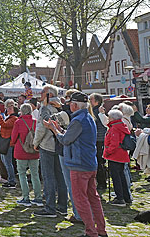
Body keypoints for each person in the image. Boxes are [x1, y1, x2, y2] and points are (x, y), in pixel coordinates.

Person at [45, 91, 107, 237]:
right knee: (93, 198)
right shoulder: (88, 117)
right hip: (89, 163)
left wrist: (54, 130)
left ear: (74, 105)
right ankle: (101, 231)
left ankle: (91, 232)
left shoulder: (78, 120)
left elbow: (66, 140)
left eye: (70, 104)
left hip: (79, 164)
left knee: (80, 200)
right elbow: (71, 136)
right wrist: (59, 129)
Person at [33, 87, 67, 218]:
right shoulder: (60, 107)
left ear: (49, 95)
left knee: (48, 177)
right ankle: (62, 206)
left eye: (42, 92)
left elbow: (41, 128)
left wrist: (36, 143)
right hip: (59, 145)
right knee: (60, 177)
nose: (40, 95)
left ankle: (50, 207)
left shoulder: (45, 108)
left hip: (47, 145)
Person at [11, 103, 42, 207]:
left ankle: (26, 197)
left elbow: (14, 137)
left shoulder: (19, 122)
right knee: (35, 175)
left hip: (21, 151)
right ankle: (38, 197)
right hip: (34, 151)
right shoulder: (35, 122)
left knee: (22, 174)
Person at [103, 109, 131, 206]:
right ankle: (126, 197)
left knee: (116, 177)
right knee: (121, 176)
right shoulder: (121, 125)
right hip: (121, 155)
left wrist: (107, 153)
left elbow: (114, 144)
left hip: (115, 155)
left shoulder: (114, 127)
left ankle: (120, 198)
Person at [0, 99, 18, 188]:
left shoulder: (14, 119)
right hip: (4, 141)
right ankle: (9, 179)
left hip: (8, 142)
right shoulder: (9, 118)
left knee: (8, 163)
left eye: (10, 109)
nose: (7, 110)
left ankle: (12, 181)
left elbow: (5, 125)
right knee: (5, 162)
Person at [89, 93, 108, 190]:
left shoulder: (97, 111)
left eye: (91, 100)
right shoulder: (95, 110)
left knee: (99, 161)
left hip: (99, 139)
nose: (89, 101)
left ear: (96, 101)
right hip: (98, 139)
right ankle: (101, 181)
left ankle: (102, 182)